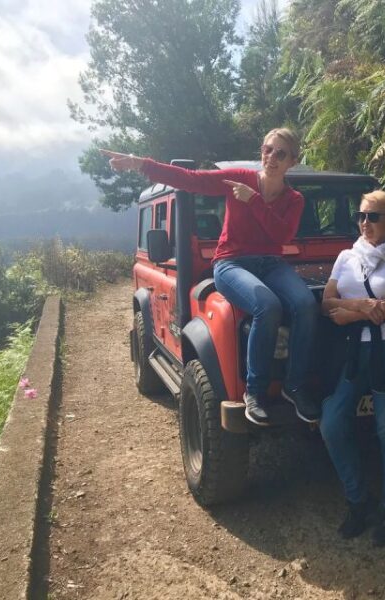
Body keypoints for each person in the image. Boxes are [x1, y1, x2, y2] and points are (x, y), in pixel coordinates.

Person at [101, 128, 321, 426]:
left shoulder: (293, 199)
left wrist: (253, 201)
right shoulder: (240, 179)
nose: (271, 157)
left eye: (280, 153)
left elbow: (281, 235)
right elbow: (191, 180)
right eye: (268, 149)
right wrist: (142, 164)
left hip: (271, 263)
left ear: (292, 161)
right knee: (267, 306)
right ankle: (254, 393)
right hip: (230, 263)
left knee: (306, 304)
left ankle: (294, 387)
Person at [320, 190, 385, 546]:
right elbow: (326, 304)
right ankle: (358, 499)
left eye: (373, 216)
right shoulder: (346, 257)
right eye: (361, 216)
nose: (365, 223)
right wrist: (361, 306)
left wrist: (347, 313)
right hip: (354, 351)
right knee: (332, 421)